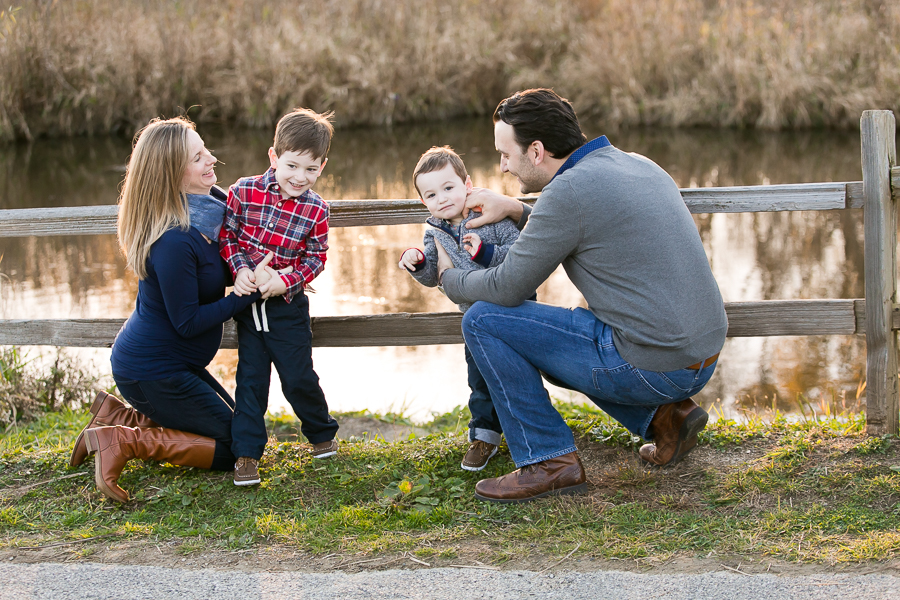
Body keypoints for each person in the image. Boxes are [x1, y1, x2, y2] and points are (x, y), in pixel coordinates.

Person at [435, 88, 728, 503]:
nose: (502, 166)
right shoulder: (637, 163)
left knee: (483, 320)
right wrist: (518, 210)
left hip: (657, 366)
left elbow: (506, 287)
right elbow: (583, 228)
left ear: (536, 151)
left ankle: (548, 461)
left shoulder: (567, 193)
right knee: (563, 338)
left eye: (506, 154)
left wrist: (449, 278)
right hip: (702, 355)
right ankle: (668, 419)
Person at [71, 116, 280, 503]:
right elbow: (186, 323)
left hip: (174, 367)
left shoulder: (209, 209)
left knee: (244, 430)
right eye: (198, 157)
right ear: (171, 172)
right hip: (152, 371)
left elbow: (254, 212)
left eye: (206, 150)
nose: (212, 160)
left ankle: (118, 418)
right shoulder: (173, 240)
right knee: (237, 449)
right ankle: (123, 441)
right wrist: (246, 293)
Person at [220, 108, 339, 487]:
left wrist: (285, 281)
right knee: (251, 381)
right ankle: (247, 455)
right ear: (274, 157)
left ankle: (322, 436)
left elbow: (315, 259)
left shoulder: (317, 209)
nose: (300, 177)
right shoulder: (243, 190)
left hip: (287, 308)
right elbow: (229, 236)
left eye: (311, 169)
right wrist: (241, 269)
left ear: (322, 165)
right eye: (292, 166)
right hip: (248, 306)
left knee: (298, 376)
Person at [398, 146, 532, 472]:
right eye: (432, 194)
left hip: (515, 309)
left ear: (467, 184)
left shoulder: (491, 217)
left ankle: (527, 432)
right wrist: (417, 264)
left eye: (448, 188)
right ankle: (484, 436)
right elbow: (434, 277)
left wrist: (485, 253)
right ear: (423, 202)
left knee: (519, 375)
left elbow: (522, 256)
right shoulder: (435, 233)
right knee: (480, 378)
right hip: (474, 320)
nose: (442, 198)